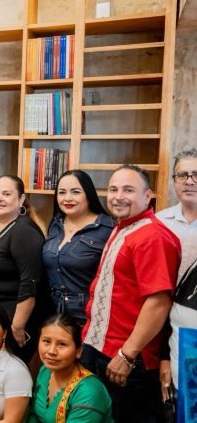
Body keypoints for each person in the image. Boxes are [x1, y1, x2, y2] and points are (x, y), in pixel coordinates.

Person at [80, 165, 180, 422]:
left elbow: (158, 303)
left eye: (128, 190)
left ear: (147, 196)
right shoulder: (122, 227)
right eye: (113, 189)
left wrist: (127, 354)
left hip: (127, 359)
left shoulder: (152, 236)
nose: (118, 196)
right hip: (102, 350)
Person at [0, 175, 45, 362]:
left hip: (13, 320)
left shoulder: (24, 231)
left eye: (6, 194)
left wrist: (17, 327)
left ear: (21, 199)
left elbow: (29, 283)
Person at [42, 170, 113, 325]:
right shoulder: (56, 224)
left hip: (88, 316)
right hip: (53, 314)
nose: (67, 198)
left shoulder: (108, 228)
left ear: (88, 194)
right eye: (62, 192)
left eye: (75, 192)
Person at [159, 148, 197, 406]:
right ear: (174, 181)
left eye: (196, 175)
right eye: (182, 175)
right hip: (174, 327)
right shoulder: (160, 222)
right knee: (186, 406)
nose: (189, 181)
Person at [27, 314, 111, 422]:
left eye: (62, 344)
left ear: (78, 350)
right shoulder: (45, 371)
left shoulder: (88, 392)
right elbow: (34, 416)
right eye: (46, 342)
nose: (52, 351)